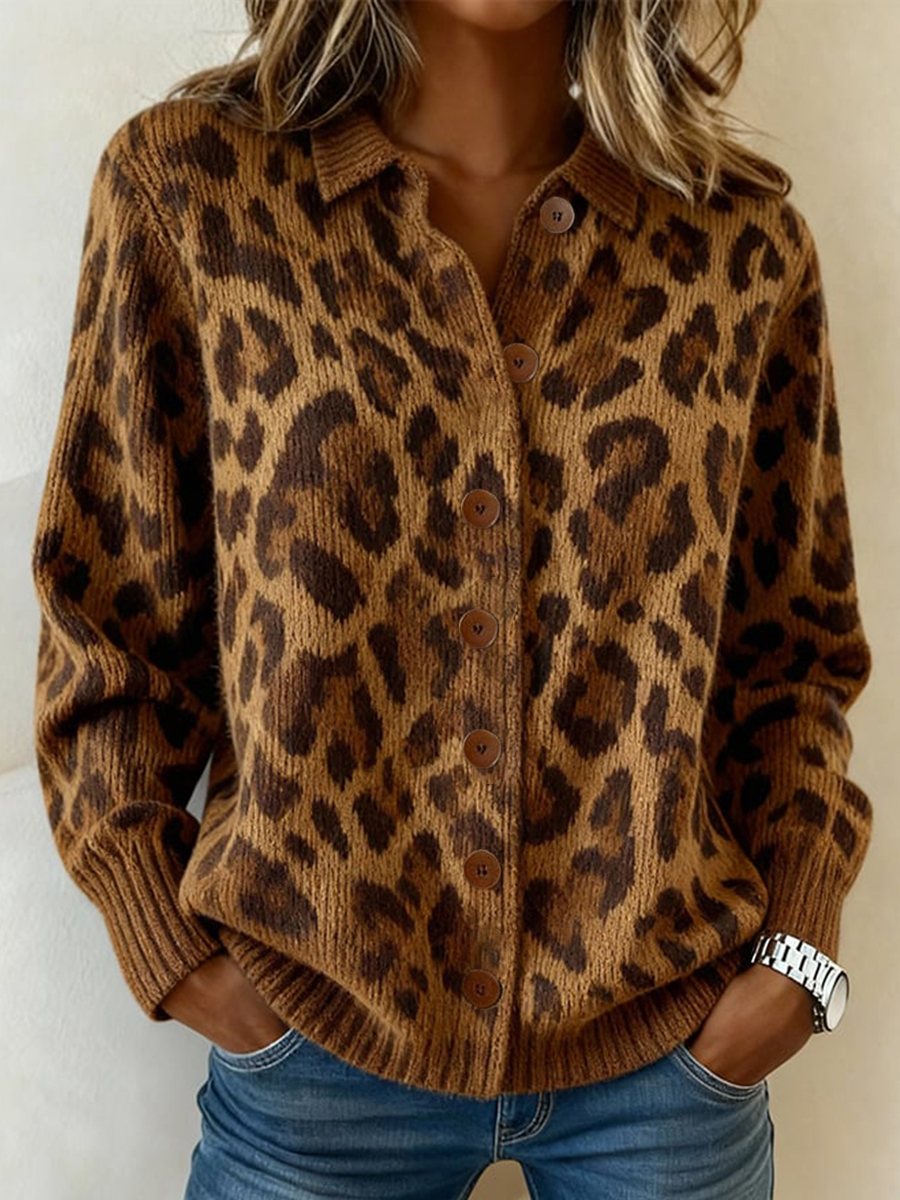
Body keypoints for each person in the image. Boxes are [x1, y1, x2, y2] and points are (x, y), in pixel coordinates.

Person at [30, 1, 873, 1197]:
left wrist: (799, 958)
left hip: (670, 1063)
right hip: (314, 1053)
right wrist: (166, 946)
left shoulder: (737, 243)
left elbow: (793, 658)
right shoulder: (197, 193)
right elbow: (105, 620)